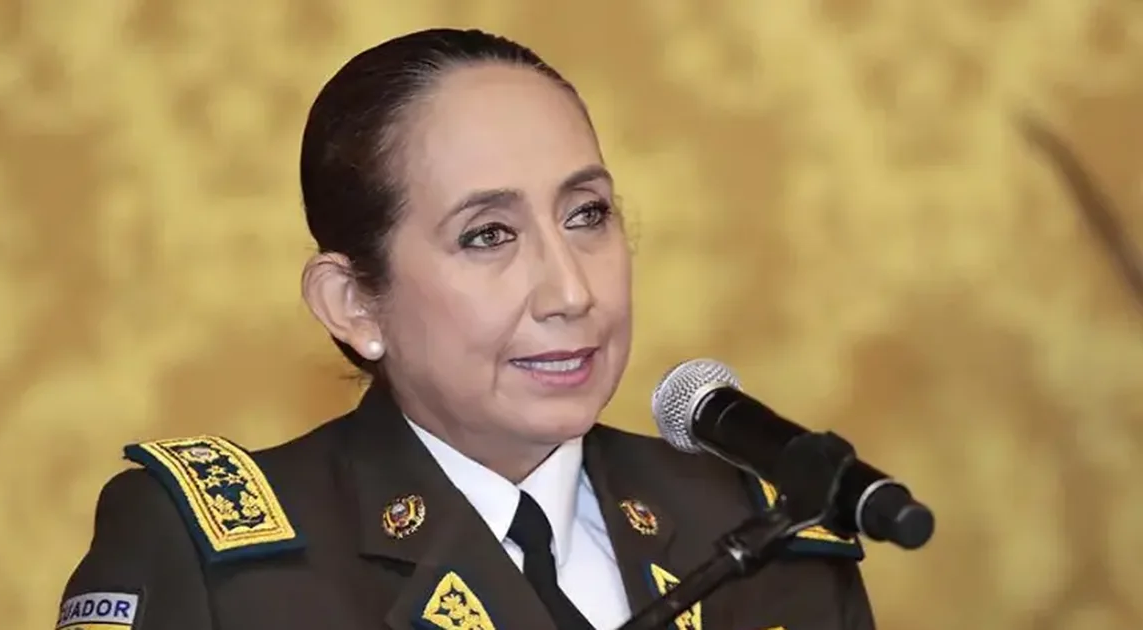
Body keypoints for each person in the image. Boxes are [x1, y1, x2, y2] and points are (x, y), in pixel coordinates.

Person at [57, 28, 876, 630]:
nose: (571, 291)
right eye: (488, 235)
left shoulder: (757, 532)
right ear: (353, 302)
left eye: (587, 215)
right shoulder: (227, 568)